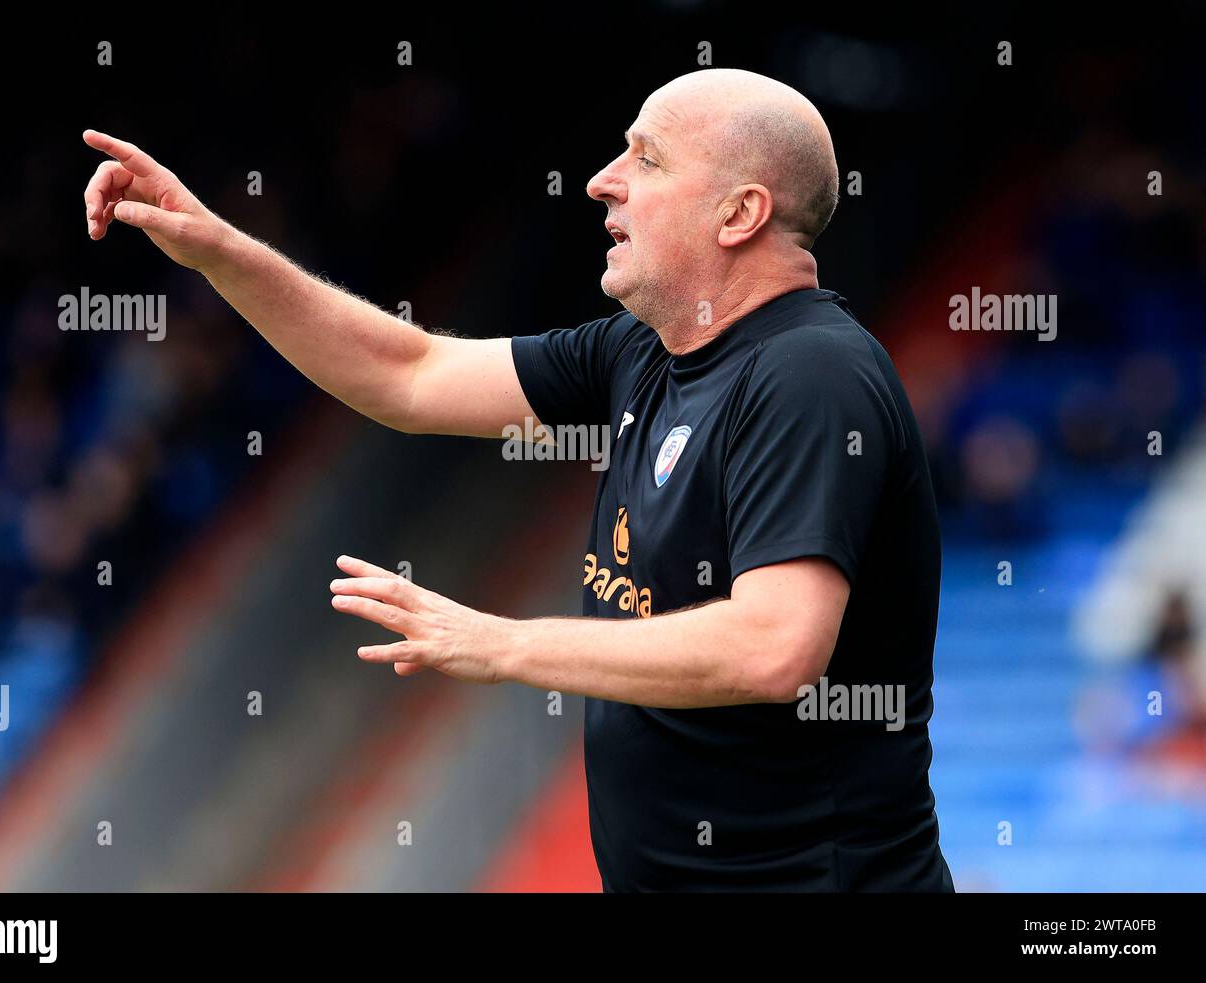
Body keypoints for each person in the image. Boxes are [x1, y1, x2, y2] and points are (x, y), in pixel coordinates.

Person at [82, 68, 953, 892]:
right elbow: (407, 375)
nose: (602, 182)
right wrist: (220, 252)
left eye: (646, 158)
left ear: (740, 213)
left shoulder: (811, 376)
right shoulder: (644, 353)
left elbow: (773, 647)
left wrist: (499, 644)